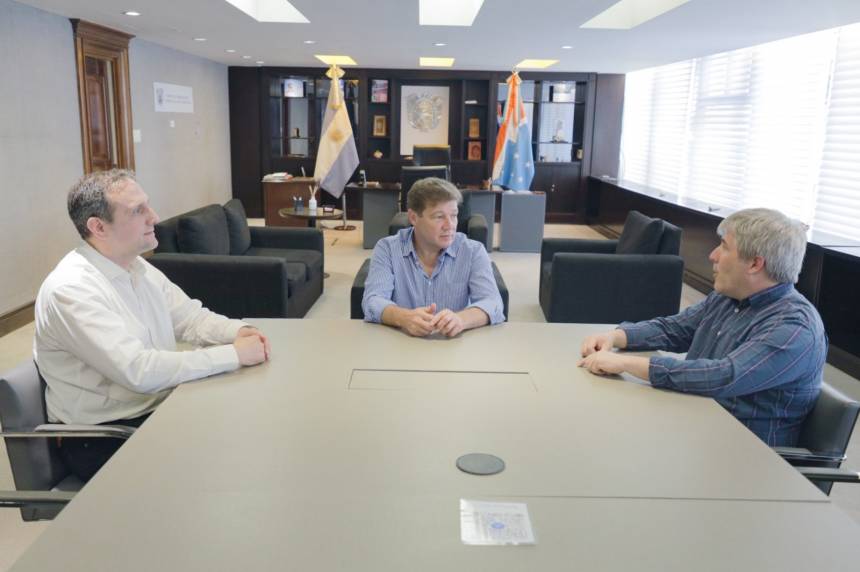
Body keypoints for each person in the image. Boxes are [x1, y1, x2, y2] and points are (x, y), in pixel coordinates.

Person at [34, 169, 270, 480]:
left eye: (148, 205)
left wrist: (236, 331)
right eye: (137, 211)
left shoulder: (136, 266)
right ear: (98, 227)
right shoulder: (72, 289)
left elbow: (191, 318)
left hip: (156, 407)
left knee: (253, 420)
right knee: (233, 458)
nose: (154, 217)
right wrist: (234, 354)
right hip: (106, 435)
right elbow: (140, 371)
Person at [578, 208, 826, 447]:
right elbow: (675, 329)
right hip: (695, 423)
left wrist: (626, 363)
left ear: (754, 264)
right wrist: (615, 336)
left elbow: (724, 376)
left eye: (724, 247)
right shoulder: (729, 297)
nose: (713, 255)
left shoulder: (795, 327)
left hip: (742, 451)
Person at [362, 177, 504, 337]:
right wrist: (404, 318)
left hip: (455, 345)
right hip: (402, 342)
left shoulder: (473, 251)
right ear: (413, 217)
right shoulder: (387, 249)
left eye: (454, 215)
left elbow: (493, 304)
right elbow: (372, 301)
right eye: (439, 217)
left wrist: (461, 319)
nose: (450, 225)